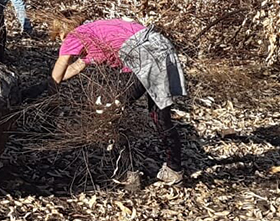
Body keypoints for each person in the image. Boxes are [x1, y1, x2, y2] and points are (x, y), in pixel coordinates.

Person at [50, 16, 187, 186]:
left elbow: (61, 66)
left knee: (108, 113)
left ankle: (127, 172)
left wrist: (51, 88)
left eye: (59, 36)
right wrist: (56, 80)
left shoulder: (76, 35)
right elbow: (77, 66)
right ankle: (174, 170)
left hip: (144, 55)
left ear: (63, 31)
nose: (61, 41)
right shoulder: (96, 33)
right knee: (160, 115)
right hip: (162, 49)